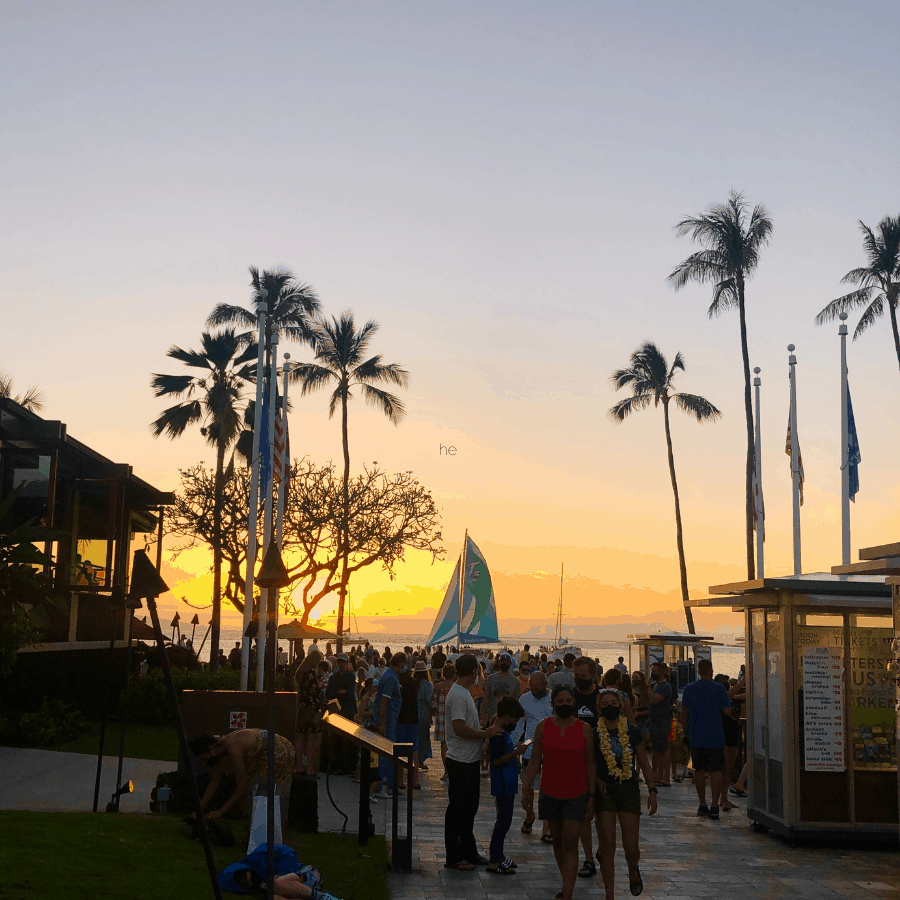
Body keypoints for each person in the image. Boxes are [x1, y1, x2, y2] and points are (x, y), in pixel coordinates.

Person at [523, 685, 596, 900]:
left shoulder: (584, 729)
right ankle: (566, 881)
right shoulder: (542, 727)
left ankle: (568, 892)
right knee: (557, 840)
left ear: (573, 703)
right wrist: (526, 788)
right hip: (550, 790)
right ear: (553, 703)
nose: (565, 704)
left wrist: (592, 796)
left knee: (571, 840)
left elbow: (590, 763)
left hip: (577, 792)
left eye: (568, 701)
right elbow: (535, 759)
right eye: (560, 701)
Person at [594, 689, 657, 900]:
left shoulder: (631, 731)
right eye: (605, 703)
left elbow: (644, 762)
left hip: (628, 789)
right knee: (607, 843)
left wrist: (652, 789)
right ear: (598, 708)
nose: (609, 706)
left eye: (613, 702)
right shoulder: (594, 733)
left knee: (631, 846)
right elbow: (589, 764)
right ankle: (609, 894)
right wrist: (596, 781)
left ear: (621, 707)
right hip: (605, 791)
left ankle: (632, 868)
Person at [443, 654, 503, 871]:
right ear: (474, 672)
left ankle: (469, 850)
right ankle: (454, 856)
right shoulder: (458, 695)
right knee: (458, 810)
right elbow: (459, 728)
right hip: (460, 760)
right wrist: (484, 734)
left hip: (469, 759)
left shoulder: (464, 693)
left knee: (470, 808)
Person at [189, 729, 295, 827]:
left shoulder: (232, 747)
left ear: (211, 749)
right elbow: (214, 782)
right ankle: (257, 829)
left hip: (280, 749)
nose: (205, 764)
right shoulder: (219, 749)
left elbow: (242, 787)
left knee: (262, 790)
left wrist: (221, 811)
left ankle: (269, 831)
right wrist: (198, 810)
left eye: (204, 758)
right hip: (265, 751)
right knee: (252, 786)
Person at [679, 658, 732, 819]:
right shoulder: (720, 689)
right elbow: (728, 712)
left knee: (699, 770)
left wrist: (686, 733)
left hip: (696, 735)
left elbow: (683, 714)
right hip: (715, 735)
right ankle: (715, 805)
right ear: (711, 670)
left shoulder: (689, 689)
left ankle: (702, 804)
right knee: (716, 771)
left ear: (698, 671)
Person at [486, 696, 527, 874]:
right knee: (502, 822)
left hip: (508, 782)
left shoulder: (503, 734)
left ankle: (499, 855)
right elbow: (497, 761)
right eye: (515, 720)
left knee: (505, 821)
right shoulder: (497, 735)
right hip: (503, 783)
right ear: (508, 716)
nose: (515, 724)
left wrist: (515, 749)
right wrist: (516, 753)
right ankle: (494, 860)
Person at [514, 670, 553, 841]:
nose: (534, 692)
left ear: (545, 685)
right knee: (527, 787)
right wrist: (514, 746)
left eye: (537, 689)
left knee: (547, 789)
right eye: (531, 688)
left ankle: (547, 826)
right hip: (529, 749)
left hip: (550, 751)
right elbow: (518, 725)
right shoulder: (524, 700)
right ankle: (529, 814)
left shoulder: (553, 699)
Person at [572, 656, 601, 878]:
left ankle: (603, 849)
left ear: (593, 676)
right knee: (583, 815)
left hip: (601, 761)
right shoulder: (569, 697)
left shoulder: (601, 698)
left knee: (603, 813)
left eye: (584, 676)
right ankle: (589, 858)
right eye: (577, 676)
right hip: (576, 762)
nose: (580, 680)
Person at [374, 652, 407, 797]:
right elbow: (384, 702)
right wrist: (382, 724)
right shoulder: (390, 679)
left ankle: (389, 785)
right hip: (388, 722)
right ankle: (380, 787)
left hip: (391, 721)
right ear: (401, 664)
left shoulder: (391, 676)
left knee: (389, 754)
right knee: (385, 754)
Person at [325, 653, 358, 776]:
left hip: (348, 711)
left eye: (343, 662)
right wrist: (340, 692)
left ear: (347, 663)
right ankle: (339, 766)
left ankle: (350, 766)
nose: (341, 664)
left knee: (349, 740)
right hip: (337, 712)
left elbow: (349, 694)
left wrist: (337, 693)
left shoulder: (350, 677)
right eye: (339, 662)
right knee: (337, 739)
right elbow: (329, 693)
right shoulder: (333, 677)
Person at [294, 648, 324, 776]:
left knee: (300, 737)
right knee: (311, 739)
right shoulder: (311, 673)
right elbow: (314, 690)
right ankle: (310, 768)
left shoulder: (301, 672)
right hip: (312, 709)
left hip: (303, 707)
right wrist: (320, 685)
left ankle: (299, 765)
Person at [714, 673, 742, 812]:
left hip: (733, 732)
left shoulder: (731, 698)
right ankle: (721, 799)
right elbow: (730, 694)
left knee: (729, 767)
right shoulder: (721, 696)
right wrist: (742, 682)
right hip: (723, 732)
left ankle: (724, 798)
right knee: (723, 767)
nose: (726, 684)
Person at [647, 661, 673, 787]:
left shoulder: (664, 687)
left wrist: (647, 687)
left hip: (662, 722)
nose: (653, 674)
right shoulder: (656, 685)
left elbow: (655, 699)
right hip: (654, 721)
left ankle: (666, 777)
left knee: (663, 750)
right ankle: (657, 774)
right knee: (656, 749)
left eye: (655, 671)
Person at [396, 658, 421, 790]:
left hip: (400, 719)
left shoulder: (397, 681)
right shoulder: (413, 682)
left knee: (400, 750)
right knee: (414, 751)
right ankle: (414, 778)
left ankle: (400, 780)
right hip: (413, 718)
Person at [431, 662, 456, 780]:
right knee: (454, 747)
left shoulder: (438, 686)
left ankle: (446, 772)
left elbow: (433, 703)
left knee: (444, 747)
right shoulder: (456, 687)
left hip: (441, 719)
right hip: (454, 719)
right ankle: (453, 771)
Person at [481, 652, 520, 726]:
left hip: (508, 720)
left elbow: (517, 701)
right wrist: (483, 717)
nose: (505, 663)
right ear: (499, 663)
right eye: (502, 661)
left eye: (507, 662)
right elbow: (486, 699)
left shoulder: (515, 681)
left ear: (510, 663)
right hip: (492, 718)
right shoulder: (491, 679)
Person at [415, 661, 434, 770]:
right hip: (424, 712)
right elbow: (430, 701)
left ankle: (415, 759)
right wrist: (431, 717)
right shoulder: (428, 685)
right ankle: (420, 760)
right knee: (423, 736)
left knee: (415, 736)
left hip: (413, 711)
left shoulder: (413, 683)